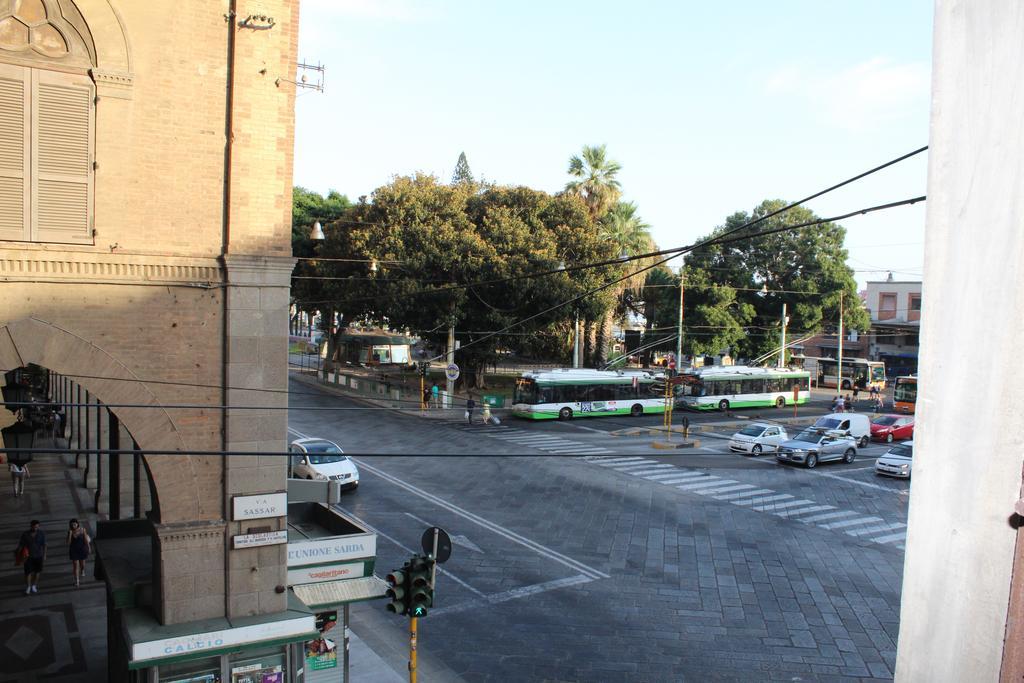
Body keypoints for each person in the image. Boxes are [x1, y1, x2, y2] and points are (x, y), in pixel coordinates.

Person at [17, 519, 46, 595]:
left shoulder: (41, 534)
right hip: (28, 557)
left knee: (37, 572)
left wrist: (44, 555)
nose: (36, 528)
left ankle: (34, 585)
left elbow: (44, 545)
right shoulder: (25, 534)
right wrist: (18, 554)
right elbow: (21, 544)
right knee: (28, 572)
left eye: (37, 527)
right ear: (31, 526)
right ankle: (28, 586)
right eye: (34, 527)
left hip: (39, 556)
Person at [67, 519, 90, 587]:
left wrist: (88, 547)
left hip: (82, 549)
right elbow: (68, 543)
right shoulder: (70, 532)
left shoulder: (83, 530)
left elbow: (86, 540)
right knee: (75, 566)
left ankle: (82, 570)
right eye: (72, 524)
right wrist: (70, 534)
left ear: (77, 524)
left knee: (82, 565)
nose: (73, 525)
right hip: (74, 550)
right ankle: (77, 580)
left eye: (75, 524)